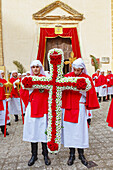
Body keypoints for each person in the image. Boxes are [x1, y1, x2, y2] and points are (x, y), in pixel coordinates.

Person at [61, 58, 100, 166]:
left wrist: (81, 89)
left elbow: (90, 93)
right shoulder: (68, 77)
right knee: (70, 132)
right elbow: (61, 90)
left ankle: (81, 154)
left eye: (78, 70)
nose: (76, 72)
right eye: (75, 69)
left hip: (80, 107)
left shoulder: (86, 78)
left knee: (80, 131)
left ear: (82, 69)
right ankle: (72, 154)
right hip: (68, 107)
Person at [20, 60, 51, 166]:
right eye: (33, 67)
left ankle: (46, 154)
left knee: (44, 133)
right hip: (32, 109)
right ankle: (34, 155)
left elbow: (51, 92)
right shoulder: (27, 80)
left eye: (37, 67)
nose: (36, 69)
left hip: (43, 110)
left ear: (40, 68)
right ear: (31, 68)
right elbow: (23, 93)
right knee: (33, 133)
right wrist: (29, 88)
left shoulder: (47, 79)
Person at [0, 70, 9, 135]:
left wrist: (8, 96)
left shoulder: (4, 81)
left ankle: (4, 129)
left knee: (3, 115)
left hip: (2, 100)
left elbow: (8, 88)